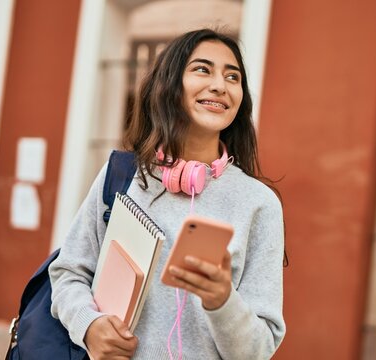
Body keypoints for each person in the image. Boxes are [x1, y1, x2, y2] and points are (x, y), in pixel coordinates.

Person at [49, 28, 286, 360]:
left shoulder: (259, 205)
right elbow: (69, 271)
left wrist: (222, 302)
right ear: (170, 85)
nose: (220, 85)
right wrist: (88, 325)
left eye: (232, 77)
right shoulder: (122, 175)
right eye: (202, 69)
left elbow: (259, 350)